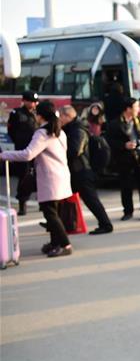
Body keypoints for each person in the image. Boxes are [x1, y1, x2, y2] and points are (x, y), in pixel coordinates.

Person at [1, 101, 74, 257]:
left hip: (50, 178)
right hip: (61, 175)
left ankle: (65, 244)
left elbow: (28, 154)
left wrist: (4, 155)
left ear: (39, 116)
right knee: (55, 212)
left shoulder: (42, 133)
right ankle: (55, 243)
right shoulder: (60, 131)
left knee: (50, 213)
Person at [58, 106, 114, 235]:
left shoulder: (78, 130)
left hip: (82, 171)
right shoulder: (71, 128)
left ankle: (106, 224)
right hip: (75, 171)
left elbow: (75, 150)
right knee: (61, 197)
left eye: (61, 116)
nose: (59, 119)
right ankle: (58, 223)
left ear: (67, 116)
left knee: (91, 200)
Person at [106, 97, 140, 221]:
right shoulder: (114, 124)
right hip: (124, 158)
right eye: (136, 107)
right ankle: (128, 211)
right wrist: (124, 145)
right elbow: (109, 141)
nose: (138, 109)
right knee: (126, 186)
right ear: (128, 109)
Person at [6, 91, 39, 215]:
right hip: (23, 149)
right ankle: (22, 204)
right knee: (24, 177)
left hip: (37, 149)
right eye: (31, 101)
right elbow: (11, 131)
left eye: (35, 102)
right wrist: (20, 142)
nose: (33, 104)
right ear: (24, 101)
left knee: (39, 175)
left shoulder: (38, 114)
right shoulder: (17, 113)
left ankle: (42, 202)